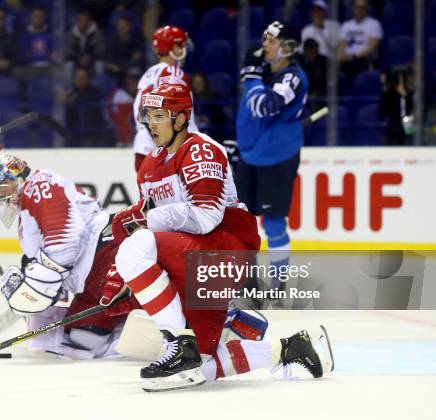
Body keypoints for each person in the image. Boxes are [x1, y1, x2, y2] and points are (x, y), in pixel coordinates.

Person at [101, 83, 333, 392]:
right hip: (192, 260)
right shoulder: (148, 167)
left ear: (181, 119)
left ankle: (183, 338)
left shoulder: (201, 150)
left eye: (159, 116)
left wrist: (146, 223)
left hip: (223, 251)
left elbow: (205, 218)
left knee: (138, 249)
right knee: (196, 366)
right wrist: (124, 277)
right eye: (148, 116)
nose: (150, 123)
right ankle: (292, 348)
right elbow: (150, 232)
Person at [0, 154, 134, 359]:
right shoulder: (29, 199)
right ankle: (128, 326)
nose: (2, 195)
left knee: (86, 343)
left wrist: (36, 285)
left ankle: (146, 329)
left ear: (17, 176)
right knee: (82, 338)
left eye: (3, 187)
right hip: (89, 273)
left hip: (104, 256)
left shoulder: (38, 186)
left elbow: (65, 244)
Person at [236, 21, 308, 293]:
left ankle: (278, 284)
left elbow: (264, 106)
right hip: (250, 155)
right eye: (265, 38)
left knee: (274, 222)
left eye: (271, 40)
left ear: (287, 47)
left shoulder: (294, 77)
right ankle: (248, 281)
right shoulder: (265, 72)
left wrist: (252, 77)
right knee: (242, 221)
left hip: (277, 158)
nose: (264, 44)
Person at [132, 25, 197, 172]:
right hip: (167, 151)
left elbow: (142, 110)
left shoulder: (148, 73)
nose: (183, 51)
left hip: (144, 148)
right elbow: (170, 107)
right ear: (172, 47)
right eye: (180, 45)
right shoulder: (173, 72)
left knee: (150, 195)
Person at [337, 0, 383, 80]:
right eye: (358, 7)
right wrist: (341, 58)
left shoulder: (374, 24)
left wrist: (354, 56)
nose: (360, 10)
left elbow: (371, 48)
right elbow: (342, 47)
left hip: (364, 61)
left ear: (367, 9)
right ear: (353, 8)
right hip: (347, 62)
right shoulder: (346, 25)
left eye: (363, 8)